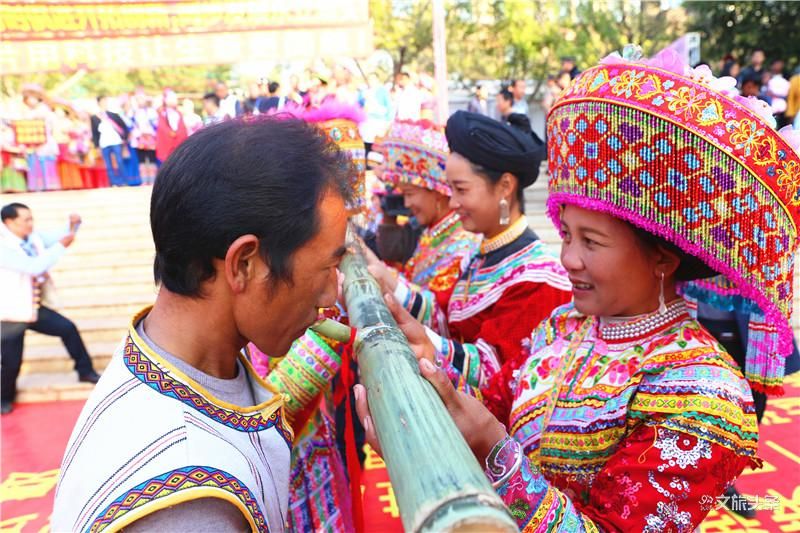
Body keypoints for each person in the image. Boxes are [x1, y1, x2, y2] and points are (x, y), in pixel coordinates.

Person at [357, 44, 800, 531]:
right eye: (566, 233)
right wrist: (431, 375)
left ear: (663, 258)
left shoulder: (702, 392)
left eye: (591, 241)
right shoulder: (564, 327)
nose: (567, 259)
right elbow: (497, 404)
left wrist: (493, 450)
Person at [51, 117, 354, 531]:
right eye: (327, 267)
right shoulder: (189, 506)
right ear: (244, 264)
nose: (330, 297)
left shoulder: (178, 363)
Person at [368, 111, 572, 413]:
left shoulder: (537, 277)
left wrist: (429, 343)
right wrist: (388, 281)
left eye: (461, 190)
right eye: (451, 190)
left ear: (504, 187)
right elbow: (444, 316)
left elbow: (495, 375)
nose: (452, 203)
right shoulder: (483, 254)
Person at [369, 119, 479, 328]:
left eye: (410, 194)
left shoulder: (462, 242)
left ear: (436, 192)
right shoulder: (433, 233)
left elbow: (441, 318)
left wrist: (384, 275)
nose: (407, 203)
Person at [1, 203, 100, 415]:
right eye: (25, 220)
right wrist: (61, 246)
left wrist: (72, 225)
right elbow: (32, 266)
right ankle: (4, 398)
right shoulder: (3, 246)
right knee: (11, 362)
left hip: (33, 308)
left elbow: (55, 236)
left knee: (68, 328)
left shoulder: (32, 238)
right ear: (9, 222)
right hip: (10, 314)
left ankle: (85, 371)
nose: (30, 224)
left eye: (31, 219)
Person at [90, 95, 130, 187]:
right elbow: (94, 133)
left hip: (115, 141)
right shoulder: (95, 117)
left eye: (105, 101)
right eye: (103, 101)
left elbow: (124, 127)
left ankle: (124, 181)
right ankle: (114, 182)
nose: (105, 103)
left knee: (119, 161)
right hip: (104, 143)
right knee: (108, 165)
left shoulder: (113, 115)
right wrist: (96, 146)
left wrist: (125, 138)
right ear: (99, 103)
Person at [155, 89, 188, 164]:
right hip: (167, 145)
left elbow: (182, 128)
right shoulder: (162, 114)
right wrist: (170, 133)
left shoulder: (179, 113)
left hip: (178, 142)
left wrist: (178, 134)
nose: (174, 101)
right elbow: (162, 128)